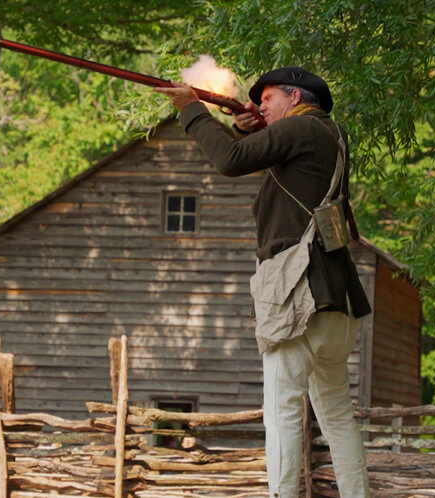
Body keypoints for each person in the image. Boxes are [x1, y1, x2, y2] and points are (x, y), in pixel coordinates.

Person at [156, 67, 372, 497]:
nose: (260, 106)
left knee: (282, 412)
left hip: (299, 298)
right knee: (337, 419)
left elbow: (230, 162)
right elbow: (258, 158)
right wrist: (241, 130)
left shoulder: (300, 130)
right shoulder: (327, 135)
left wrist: (192, 111)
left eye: (268, 98)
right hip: (333, 302)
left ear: (295, 98)